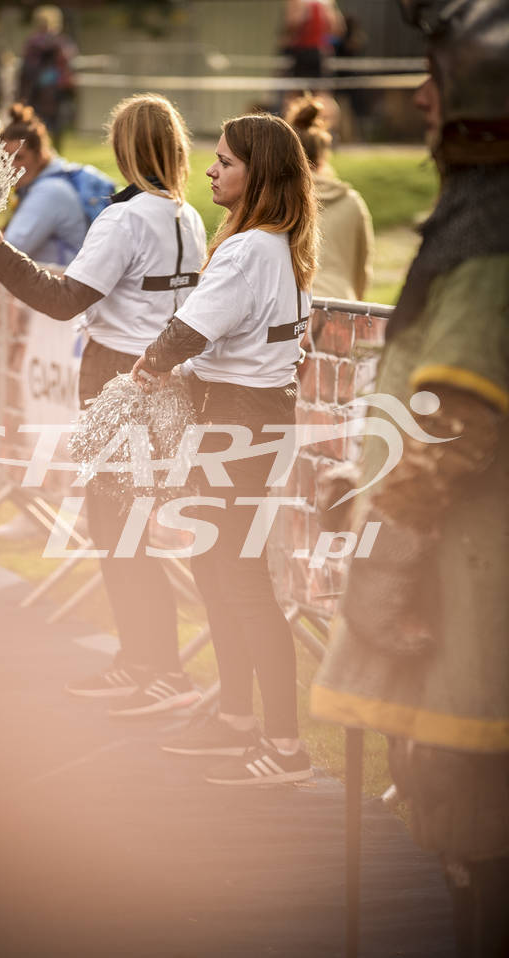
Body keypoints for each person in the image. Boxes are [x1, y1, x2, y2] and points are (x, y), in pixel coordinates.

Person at [310, 1, 509, 954]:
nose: (422, 97)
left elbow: (455, 428)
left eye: (443, 79)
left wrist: (384, 567)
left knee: (478, 830)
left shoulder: (493, 244)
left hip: (478, 590)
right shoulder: (480, 227)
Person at [0, 94, 206, 713]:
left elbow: (63, 300)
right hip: (162, 377)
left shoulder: (124, 217)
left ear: (124, 147)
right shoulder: (187, 214)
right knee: (125, 529)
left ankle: (158, 669)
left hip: (119, 376)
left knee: (117, 530)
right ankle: (146, 663)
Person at [132, 112, 318, 785]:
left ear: (258, 174)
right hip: (245, 418)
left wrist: (146, 369)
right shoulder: (275, 244)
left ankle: (286, 745)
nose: (211, 170)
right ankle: (236, 717)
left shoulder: (249, 250)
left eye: (226, 162)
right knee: (215, 569)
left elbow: (187, 332)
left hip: (239, 421)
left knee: (241, 579)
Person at [0, 104, 91, 266]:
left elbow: (4, 249)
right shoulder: (32, 188)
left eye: (19, 157)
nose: (10, 166)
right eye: (5, 157)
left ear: (40, 156)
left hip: (64, 279)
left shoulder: (50, 192)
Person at [285, 95, 374, 300]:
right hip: (341, 302)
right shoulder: (352, 201)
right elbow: (362, 269)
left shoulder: (280, 199)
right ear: (323, 156)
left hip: (294, 303)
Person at [18, 5, 77, 153]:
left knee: (37, 125)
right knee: (56, 129)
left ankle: (40, 153)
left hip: (39, 92)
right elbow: (68, 66)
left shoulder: (32, 43)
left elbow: (25, 70)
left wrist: (22, 93)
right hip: (55, 92)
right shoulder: (62, 42)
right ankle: (53, 154)